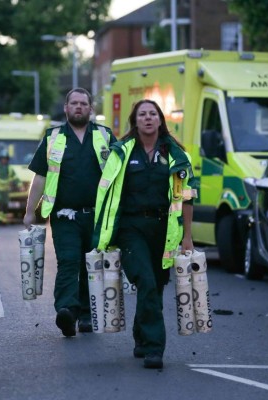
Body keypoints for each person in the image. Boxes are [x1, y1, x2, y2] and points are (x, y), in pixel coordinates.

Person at [91, 99, 197, 369]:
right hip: (131, 229)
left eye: (153, 114)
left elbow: (187, 197)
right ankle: (154, 349)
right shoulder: (122, 152)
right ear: (135, 121)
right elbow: (106, 193)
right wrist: (103, 234)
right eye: (142, 114)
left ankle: (140, 337)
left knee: (155, 286)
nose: (148, 118)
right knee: (147, 282)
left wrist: (187, 237)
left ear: (160, 120)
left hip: (164, 230)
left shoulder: (176, 155)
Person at [23, 88, 115, 337]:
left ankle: (86, 314)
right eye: (73, 103)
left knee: (91, 265)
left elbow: (120, 176)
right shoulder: (53, 137)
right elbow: (40, 176)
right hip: (64, 216)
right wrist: (30, 211)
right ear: (65, 108)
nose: (78, 107)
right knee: (68, 262)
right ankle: (67, 311)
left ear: (91, 109)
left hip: (97, 216)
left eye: (83, 103)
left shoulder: (105, 136)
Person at [0, 150, 20, 224]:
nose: (4, 160)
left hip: (5, 189)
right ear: (0, 159)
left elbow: (15, 178)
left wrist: (20, 185)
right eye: (2, 159)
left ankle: (3, 218)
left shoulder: (10, 169)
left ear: (7, 160)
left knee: (5, 204)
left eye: (5, 159)